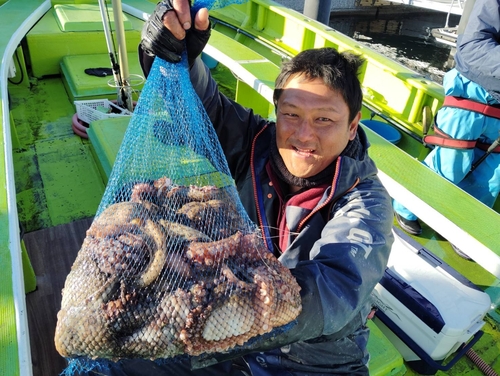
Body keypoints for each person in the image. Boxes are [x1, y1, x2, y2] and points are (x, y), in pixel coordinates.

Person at [90, 0, 393, 374]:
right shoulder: (257, 142)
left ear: (352, 125)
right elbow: (205, 108)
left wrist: (227, 310)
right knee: (113, 360)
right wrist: (173, 54)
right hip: (226, 334)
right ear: (277, 109)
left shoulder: (367, 204)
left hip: (312, 360)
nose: (303, 135)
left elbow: (334, 291)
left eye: (324, 120)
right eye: (291, 114)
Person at [393, 0, 500, 259]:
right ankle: (406, 208)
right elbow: (472, 48)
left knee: (490, 179)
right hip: (470, 94)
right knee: (450, 164)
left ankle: (465, 229)